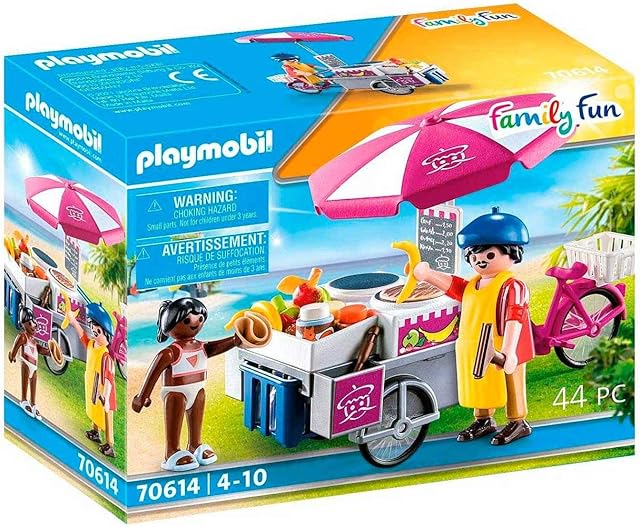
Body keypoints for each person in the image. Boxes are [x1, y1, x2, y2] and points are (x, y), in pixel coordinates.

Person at [411, 207, 535, 445]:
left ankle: (518, 421)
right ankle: (484, 419)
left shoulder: (513, 286)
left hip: (508, 344)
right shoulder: (473, 285)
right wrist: (427, 275)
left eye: (489, 255)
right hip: (475, 343)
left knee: (512, 381)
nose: (480, 261)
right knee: (479, 382)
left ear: (512, 252)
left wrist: (509, 350)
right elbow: (453, 285)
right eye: (474, 256)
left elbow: (515, 316)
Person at [132, 297, 272, 472]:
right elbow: (153, 373)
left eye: (200, 319)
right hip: (176, 393)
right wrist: (142, 396)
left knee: (197, 417)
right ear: (170, 324)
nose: (196, 323)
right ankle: (171, 451)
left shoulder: (201, 347)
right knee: (175, 420)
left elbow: (216, 347)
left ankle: (195, 445)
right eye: (188, 320)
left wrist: (235, 340)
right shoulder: (170, 352)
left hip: (197, 390)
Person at [66, 302, 117, 457]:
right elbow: (83, 336)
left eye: (98, 330)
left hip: (104, 391)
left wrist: (106, 396)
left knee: (106, 414)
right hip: (93, 385)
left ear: (106, 334)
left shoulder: (105, 355)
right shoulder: (92, 344)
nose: (94, 331)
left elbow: (109, 377)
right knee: (94, 408)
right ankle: (95, 432)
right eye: (93, 328)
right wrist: (73, 321)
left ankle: (109, 444)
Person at [8, 306, 62, 420]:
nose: (34, 325)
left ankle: (33, 403)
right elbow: (15, 347)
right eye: (30, 323)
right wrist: (12, 355)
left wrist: (50, 352)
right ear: (24, 324)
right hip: (26, 363)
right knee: (25, 381)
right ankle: (24, 400)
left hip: (34, 366)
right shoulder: (22, 337)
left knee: (33, 383)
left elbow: (40, 350)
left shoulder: (33, 340)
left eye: (33, 322)